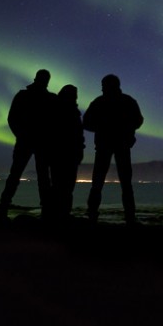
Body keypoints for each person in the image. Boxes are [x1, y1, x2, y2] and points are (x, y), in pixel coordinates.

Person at [83, 74, 143, 225]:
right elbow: (138, 120)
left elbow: (87, 122)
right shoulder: (127, 101)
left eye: (103, 85)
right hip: (119, 144)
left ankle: (92, 213)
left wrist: (103, 128)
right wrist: (126, 130)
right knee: (124, 182)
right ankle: (129, 215)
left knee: (99, 180)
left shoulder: (100, 102)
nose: (102, 88)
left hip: (106, 144)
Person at [0, 69, 54, 217]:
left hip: (32, 141)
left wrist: (21, 135)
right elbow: (12, 118)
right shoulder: (45, 98)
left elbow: (12, 118)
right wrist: (22, 135)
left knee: (22, 174)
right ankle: (45, 209)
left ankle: (4, 206)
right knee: (30, 175)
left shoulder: (27, 96)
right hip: (32, 141)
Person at [42, 84, 85, 223]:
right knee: (64, 186)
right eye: (75, 94)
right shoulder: (66, 111)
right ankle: (60, 214)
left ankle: (58, 214)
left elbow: (78, 134)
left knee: (61, 185)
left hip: (63, 154)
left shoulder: (57, 109)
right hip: (64, 154)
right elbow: (77, 134)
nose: (76, 97)